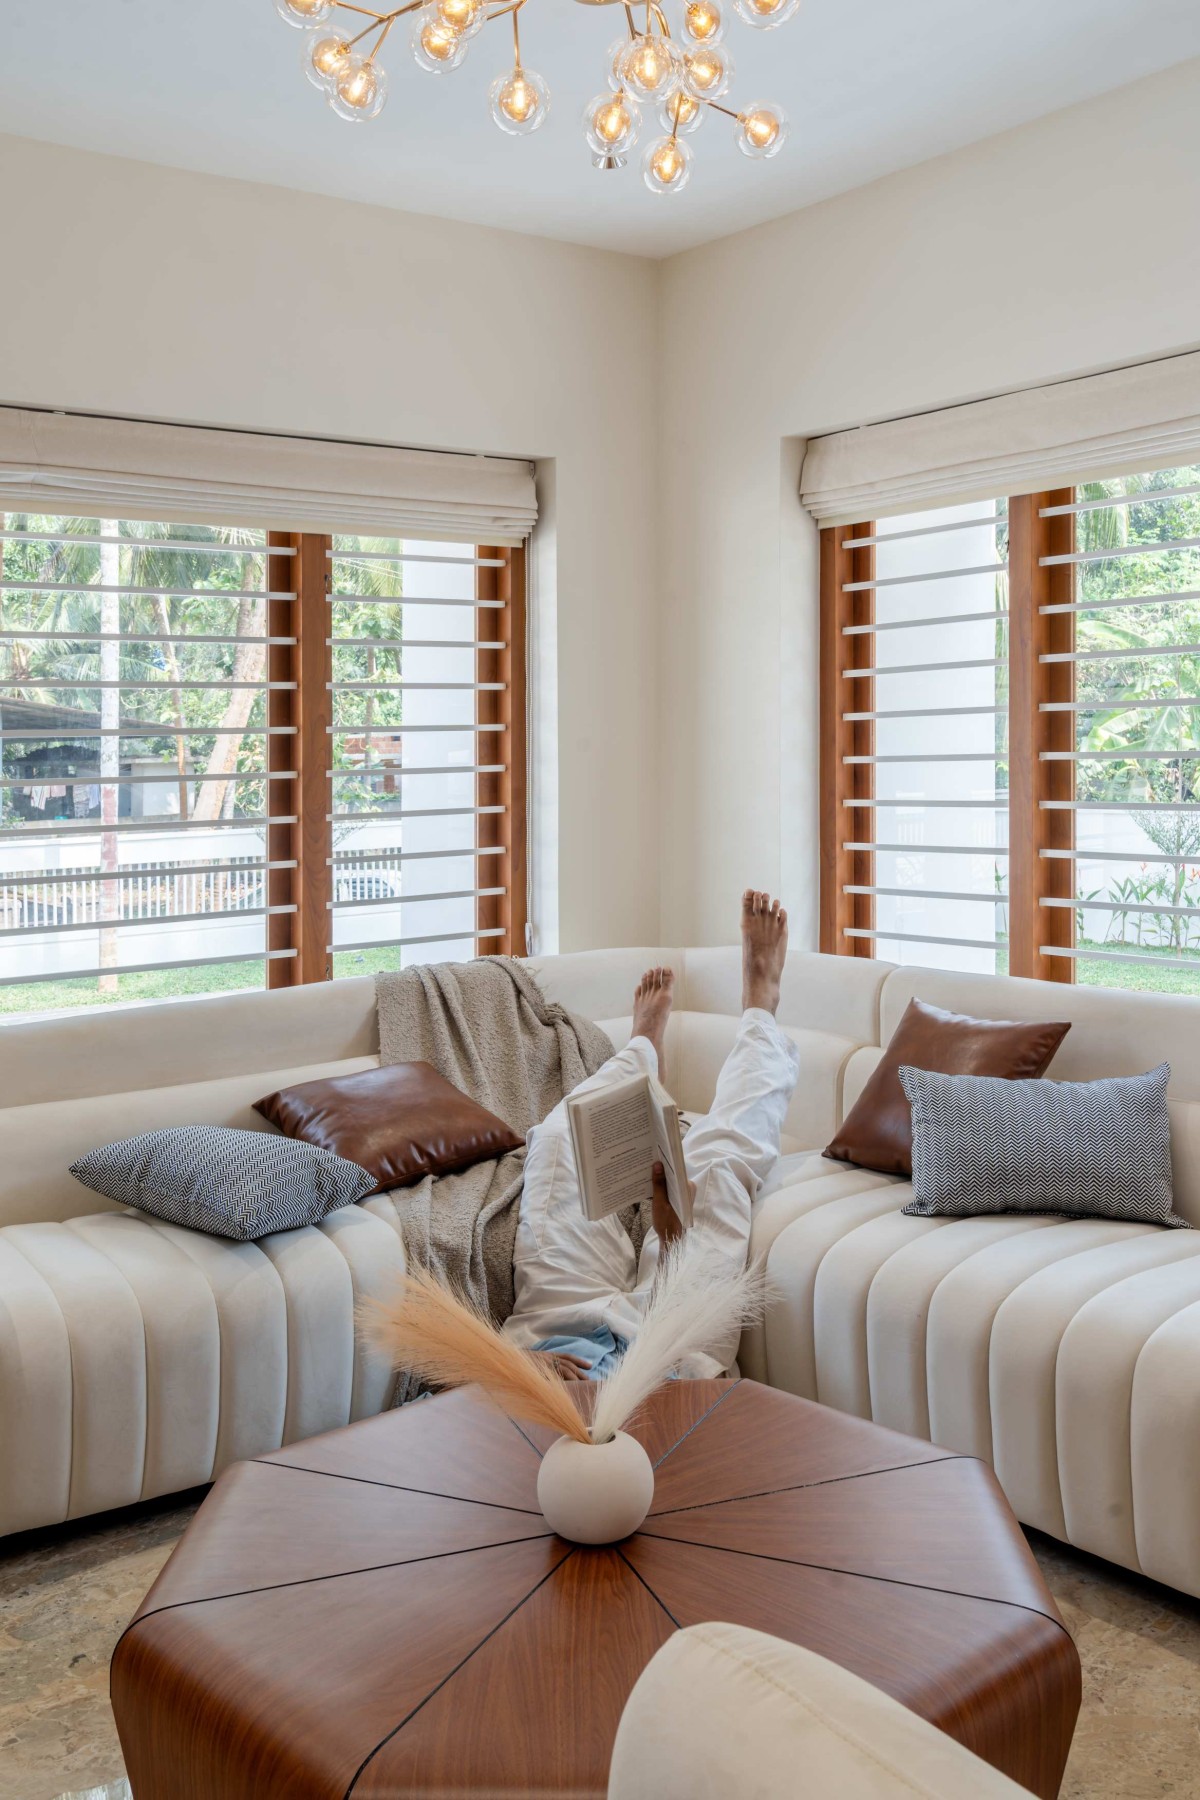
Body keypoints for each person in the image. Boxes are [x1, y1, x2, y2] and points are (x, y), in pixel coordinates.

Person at [502, 891, 800, 1379]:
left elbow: (460, 1400)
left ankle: (643, 1051)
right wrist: (673, 1238)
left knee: (558, 1140)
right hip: (668, 1358)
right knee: (718, 1163)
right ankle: (760, 1006)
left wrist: (520, 1372)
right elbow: (670, 1410)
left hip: (551, 1331)